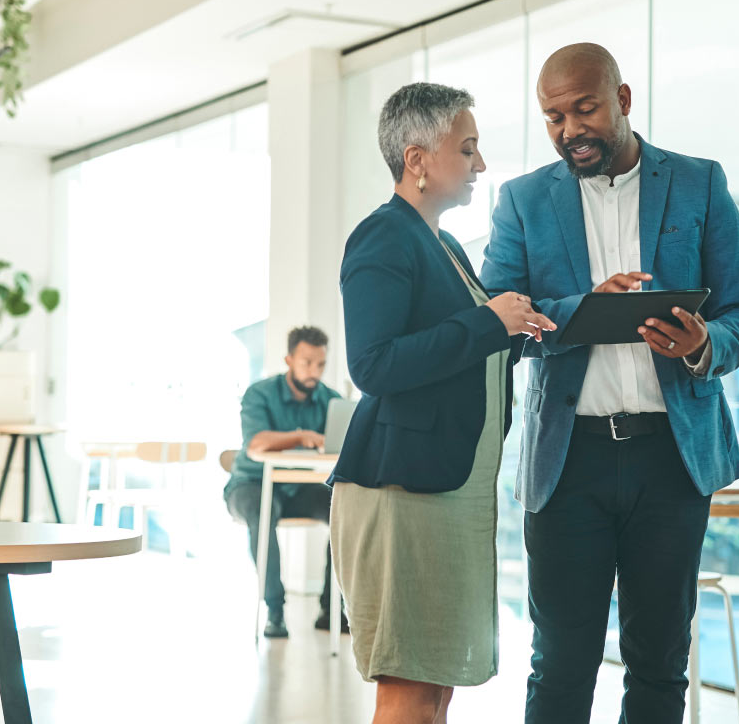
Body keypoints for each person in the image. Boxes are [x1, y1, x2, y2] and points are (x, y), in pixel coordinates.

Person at [480, 43, 739, 724]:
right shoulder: (521, 201)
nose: (569, 130)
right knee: (560, 664)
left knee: (660, 662)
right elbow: (497, 321)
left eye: (584, 109)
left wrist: (703, 346)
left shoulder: (697, 183)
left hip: (670, 458)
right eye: (553, 117)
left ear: (623, 100)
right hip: (565, 461)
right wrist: (586, 308)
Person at [328, 82, 556, 724]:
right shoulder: (383, 238)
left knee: (434, 687)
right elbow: (373, 365)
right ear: (417, 159)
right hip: (402, 492)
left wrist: (559, 321)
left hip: (444, 491)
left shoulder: (446, 246)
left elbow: (468, 352)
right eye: (468, 148)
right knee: (409, 684)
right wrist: (490, 324)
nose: (481, 164)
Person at [224, 325, 345, 638]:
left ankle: (331, 610)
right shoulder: (259, 394)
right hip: (250, 484)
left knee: (344, 510)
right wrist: (302, 436)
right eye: (306, 363)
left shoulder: (331, 400)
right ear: (289, 360)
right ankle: (275, 611)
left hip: (300, 486)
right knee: (262, 514)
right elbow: (256, 444)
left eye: (320, 364)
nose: (313, 371)